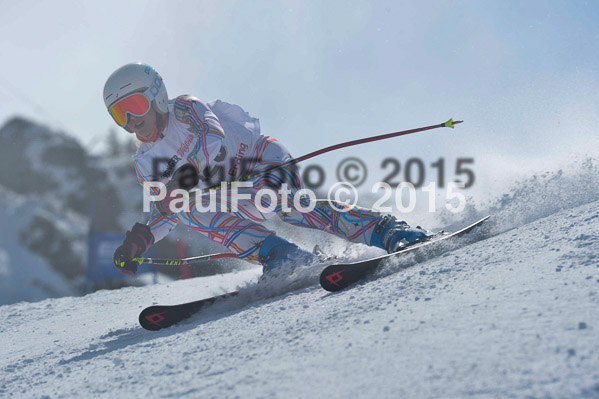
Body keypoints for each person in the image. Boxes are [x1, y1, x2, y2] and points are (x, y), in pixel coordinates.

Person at [104, 62, 432, 277]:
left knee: (288, 208)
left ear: (157, 96)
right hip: (231, 196)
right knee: (187, 209)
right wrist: (140, 240)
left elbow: (213, 138)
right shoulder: (144, 161)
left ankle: (389, 231)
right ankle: (283, 257)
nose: (132, 122)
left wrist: (181, 180)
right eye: (121, 115)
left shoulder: (187, 108)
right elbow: (167, 210)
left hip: (261, 163)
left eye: (135, 106)